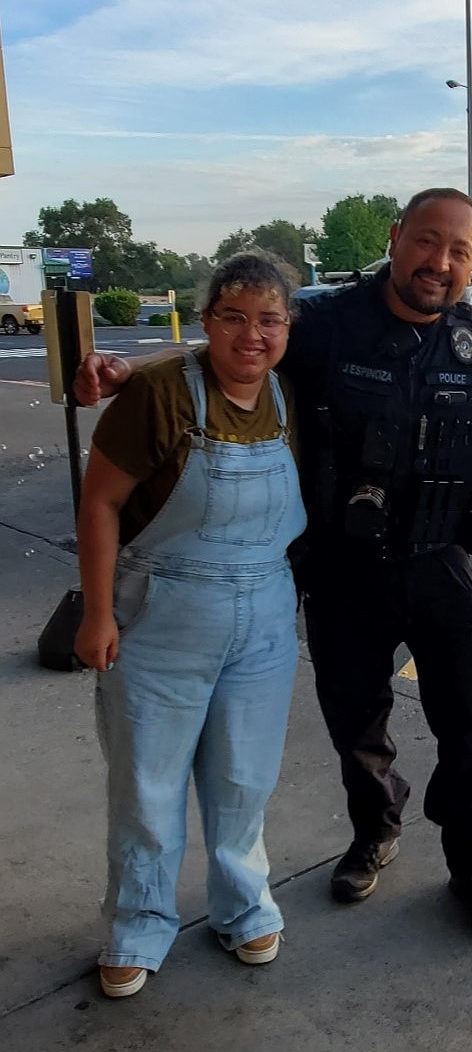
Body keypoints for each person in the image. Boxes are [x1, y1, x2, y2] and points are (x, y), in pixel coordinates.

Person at [76, 188, 472, 941]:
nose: (440, 263)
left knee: (466, 732)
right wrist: (127, 370)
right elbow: (238, 341)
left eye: (460, 251)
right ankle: (375, 831)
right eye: (427, 242)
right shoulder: (328, 323)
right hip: (343, 569)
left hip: (440, 566)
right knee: (356, 725)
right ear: (396, 238)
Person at [73, 255, 306, 997]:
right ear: (205, 321)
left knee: (244, 777)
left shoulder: (287, 393)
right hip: (161, 616)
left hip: (265, 612)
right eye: (233, 317)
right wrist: (98, 611)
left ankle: (244, 906)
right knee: (148, 785)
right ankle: (138, 925)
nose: (251, 335)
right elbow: (101, 503)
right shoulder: (159, 395)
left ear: (287, 326)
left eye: (268, 320)